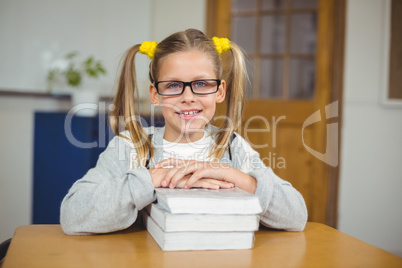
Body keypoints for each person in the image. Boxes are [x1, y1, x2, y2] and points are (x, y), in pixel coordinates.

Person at [60, 29, 307, 235]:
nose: (188, 97)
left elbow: (296, 216)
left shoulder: (233, 147)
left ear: (220, 91)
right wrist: (152, 178)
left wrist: (232, 175)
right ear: (155, 94)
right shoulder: (130, 146)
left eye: (201, 84)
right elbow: (73, 215)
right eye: (174, 85)